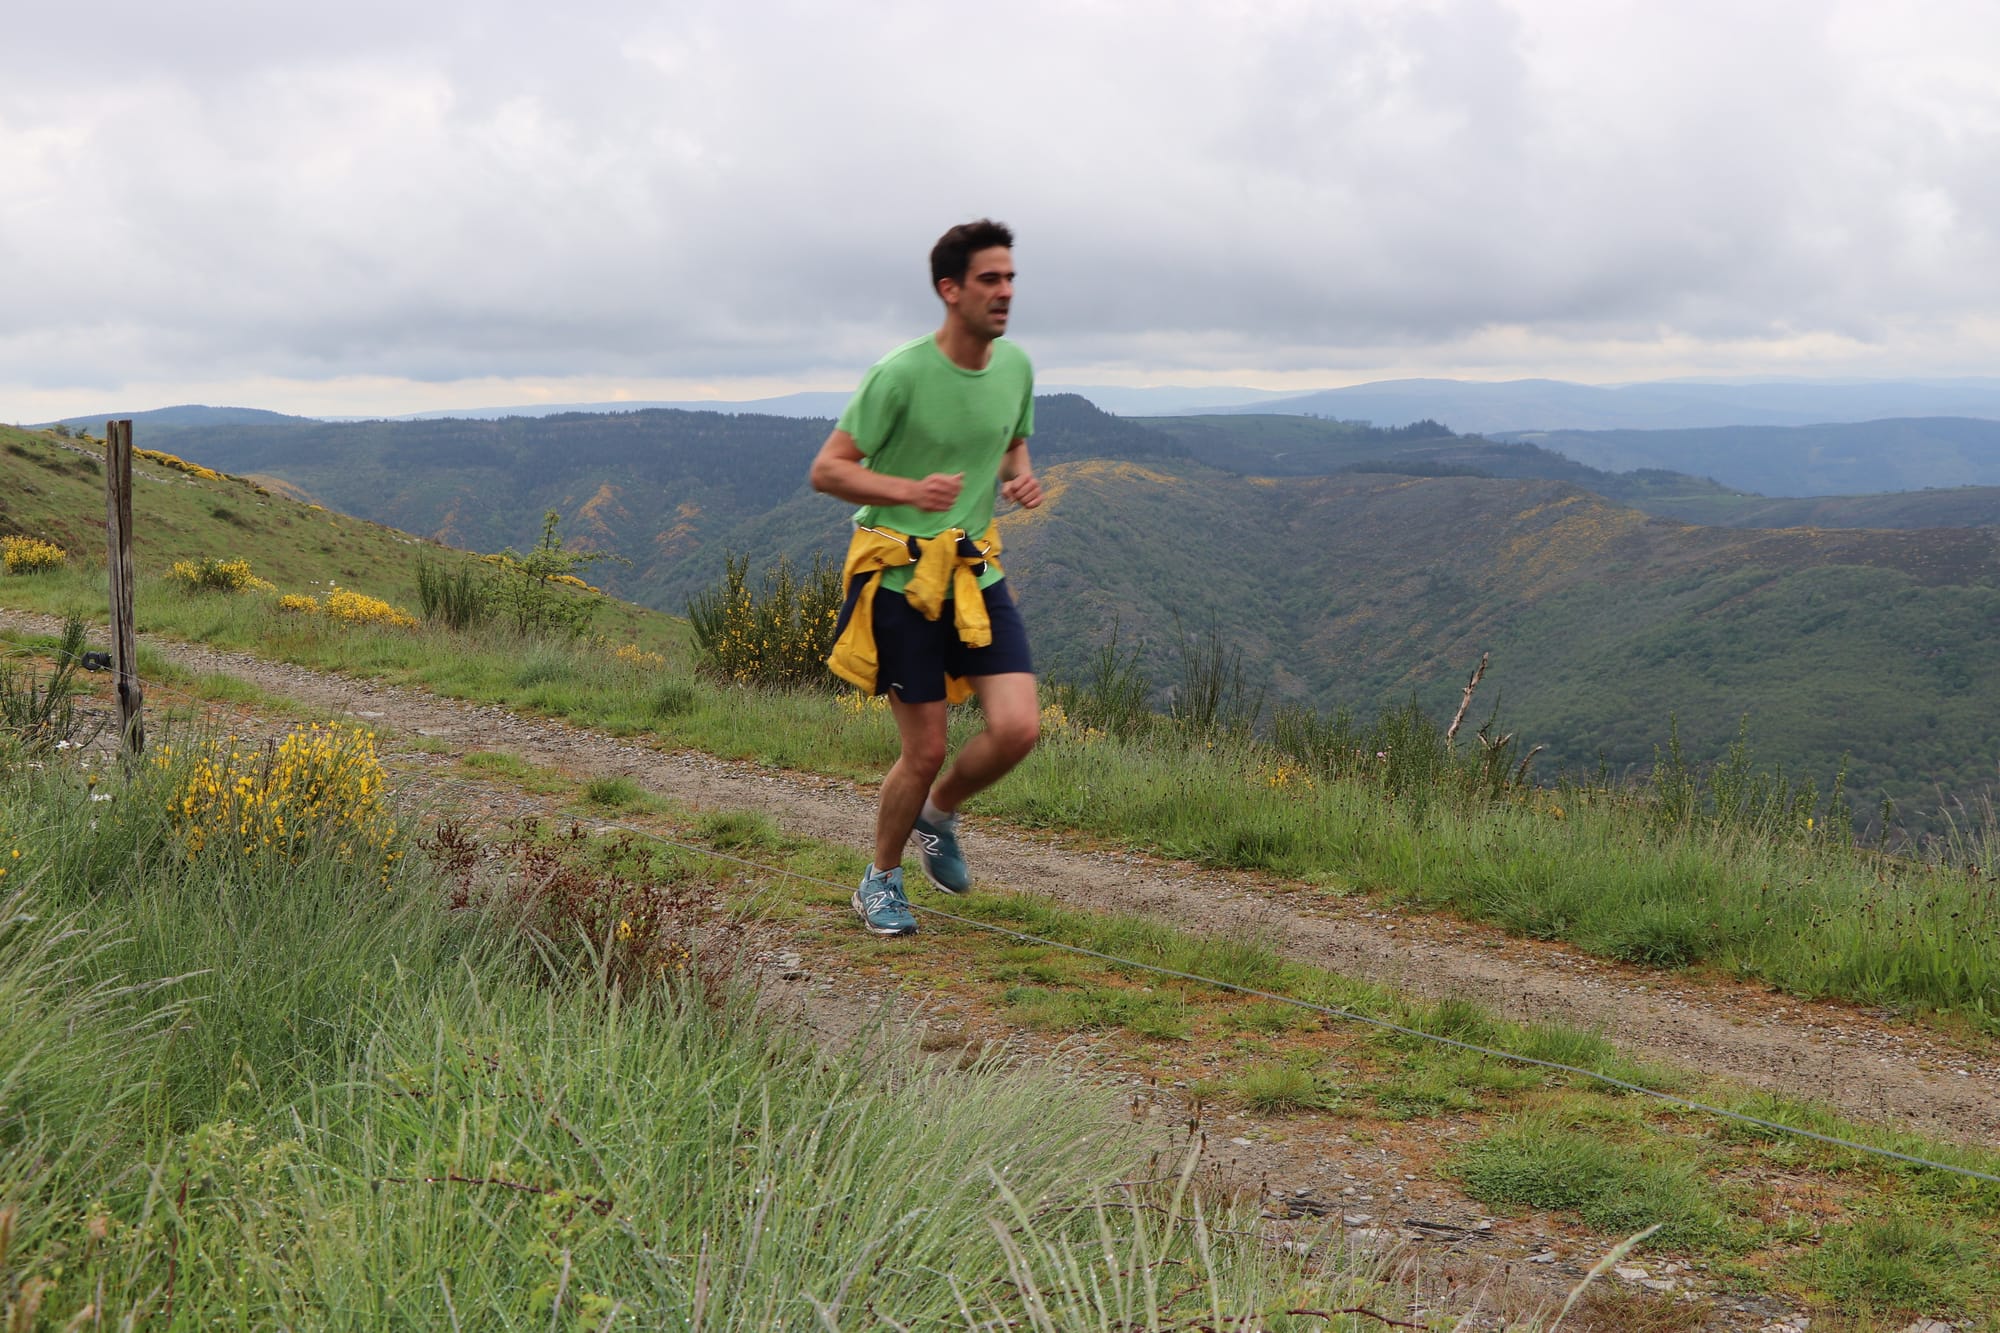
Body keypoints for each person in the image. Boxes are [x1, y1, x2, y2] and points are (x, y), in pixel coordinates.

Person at [809, 219, 1044, 937]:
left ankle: (938, 815)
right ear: (950, 290)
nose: (1005, 292)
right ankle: (878, 880)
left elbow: (1010, 440)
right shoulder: (901, 373)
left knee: (1017, 728)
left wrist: (1022, 475)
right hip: (900, 578)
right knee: (926, 747)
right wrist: (910, 490)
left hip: (975, 569)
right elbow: (828, 469)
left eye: (1010, 277)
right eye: (989, 280)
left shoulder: (1016, 367)